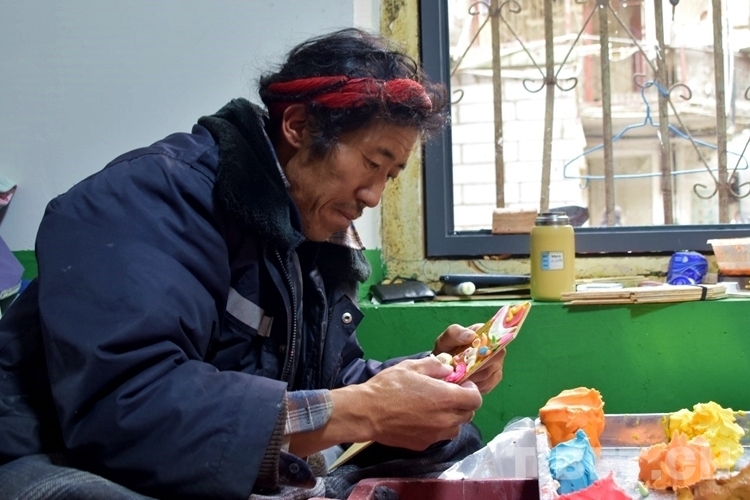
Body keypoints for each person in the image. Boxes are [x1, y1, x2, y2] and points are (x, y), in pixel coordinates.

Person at [0, 28, 507, 499]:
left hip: (203, 457)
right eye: (372, 163)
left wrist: (430, 377)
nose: (373, 195)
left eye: (389, 176)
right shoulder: (147, 199)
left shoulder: (307, 233)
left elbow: (328, 379)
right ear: (298, 126)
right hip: (67, 459)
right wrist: (365, 411)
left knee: (450, 435)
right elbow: (127, 408)